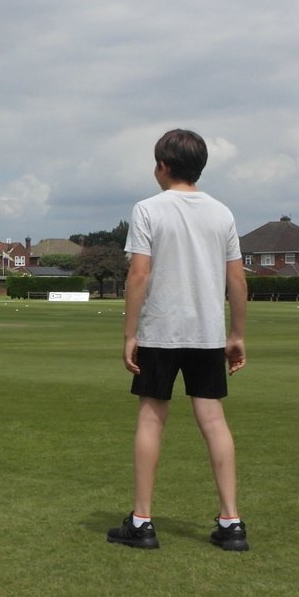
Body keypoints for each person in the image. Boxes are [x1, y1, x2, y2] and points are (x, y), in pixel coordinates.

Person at [109, 127, 248, 553]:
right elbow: (237, 279)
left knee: (152, 420)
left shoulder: (148, 209)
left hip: (161, 332)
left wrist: (130, 333)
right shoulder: (222, 213)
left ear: (164, 167)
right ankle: (231, 523)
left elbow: (138, 273)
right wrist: (237, 333)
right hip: (207, 334)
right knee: (214, 422)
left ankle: (142, 521)